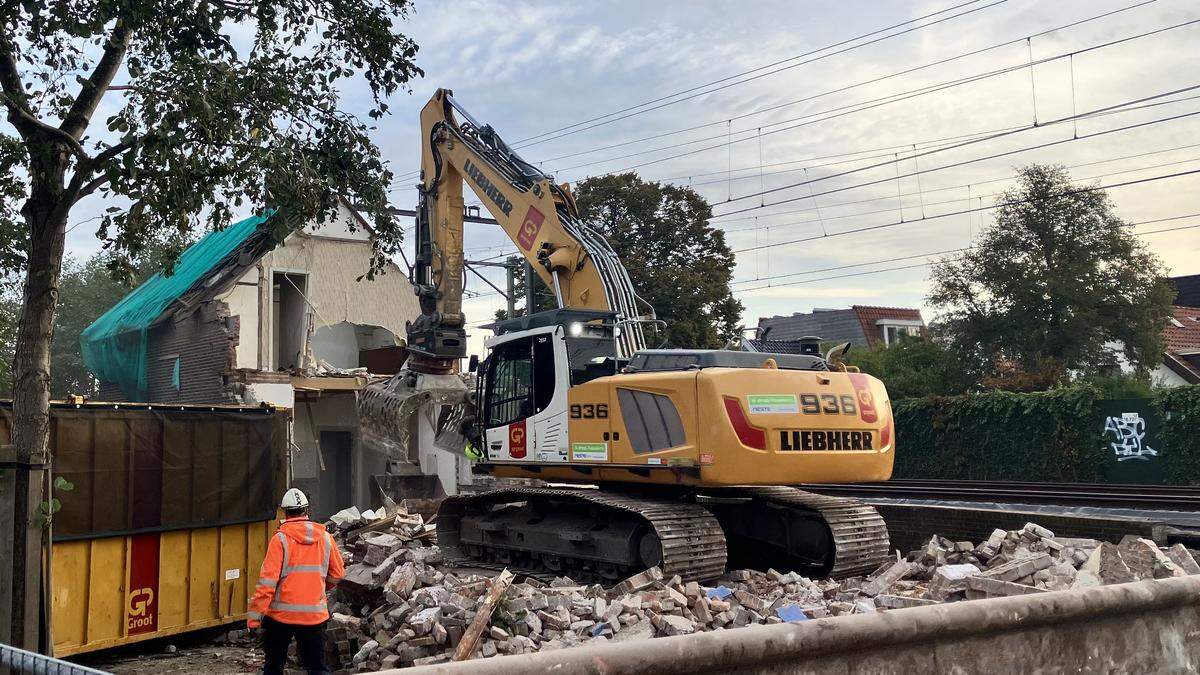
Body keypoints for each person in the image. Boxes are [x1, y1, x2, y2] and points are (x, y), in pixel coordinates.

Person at [248, 488, 345, 675]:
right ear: (307, 511)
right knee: (317, 668)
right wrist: (320, 588)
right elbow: (338, 574)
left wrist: (254, 619)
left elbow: (266, 585)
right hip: (314, 617)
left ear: (285, 512)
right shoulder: (325, 538)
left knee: (273, 667)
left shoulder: (280, 540)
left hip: (280, 618)